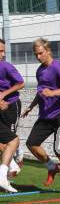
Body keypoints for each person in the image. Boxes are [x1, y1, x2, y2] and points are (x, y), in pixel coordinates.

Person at [22, 38, 60, 195]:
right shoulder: (39, 70)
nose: (38, 57)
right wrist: (31, 106)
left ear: (48, 51)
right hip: (46, 116)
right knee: (32, 143)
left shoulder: (58, 68)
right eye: (36, 54)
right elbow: (41, 92)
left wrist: (54, 93)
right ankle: (52, 167)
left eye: (40, 53)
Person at [0, 39, 24, 192]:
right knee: (8, 140)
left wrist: (3, 94)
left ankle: (9, 169)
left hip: (11, 107)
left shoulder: (6, 66)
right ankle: (12, 165)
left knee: (11, 139)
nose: (2, 54)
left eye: (3, 51)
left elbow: (20, 83)